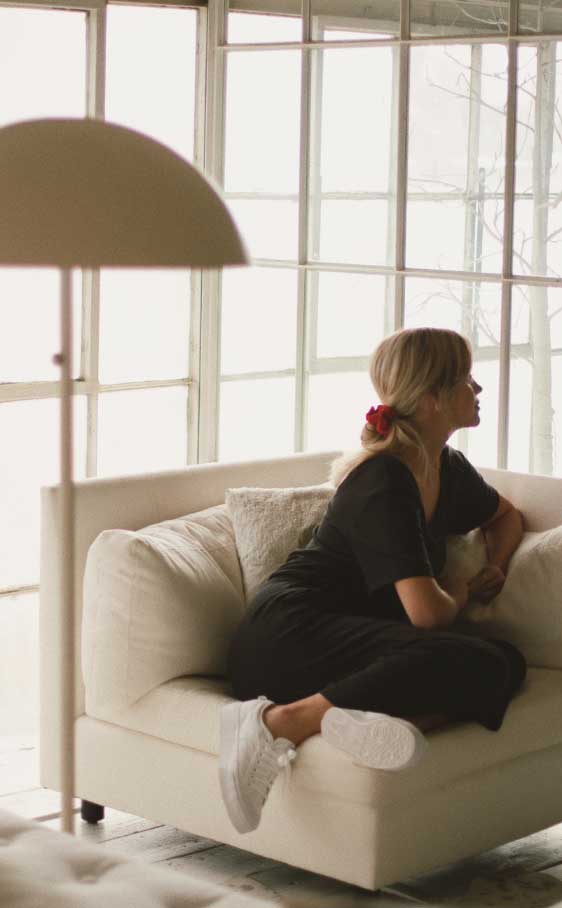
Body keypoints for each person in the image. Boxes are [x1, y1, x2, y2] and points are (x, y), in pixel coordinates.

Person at [219, 327, 526, 835]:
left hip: (355, 646)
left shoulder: (444, 467)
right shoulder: (383, 480)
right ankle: (279, 722)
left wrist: (498, 564)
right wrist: (466, 589)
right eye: (466, 381)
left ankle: (371, 724)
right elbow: (429, 616)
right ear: (431, 399)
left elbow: (506, 515)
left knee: (506, 662)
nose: (478, 390)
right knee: (457, 653)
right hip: (288, 637)